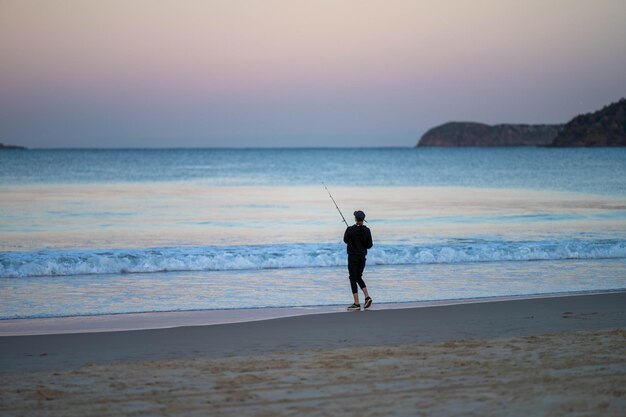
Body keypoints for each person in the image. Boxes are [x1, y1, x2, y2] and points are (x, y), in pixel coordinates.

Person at [343, 210, 373, 311]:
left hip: (352, 257)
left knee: (352, 278)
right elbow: (369, 245)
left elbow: (345, 240)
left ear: (355, 219)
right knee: (358, 277)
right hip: (362, 258)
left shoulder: (350, 229)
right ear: (363, 219)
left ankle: (356, 304)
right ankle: (367, 297)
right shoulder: (367, 230)